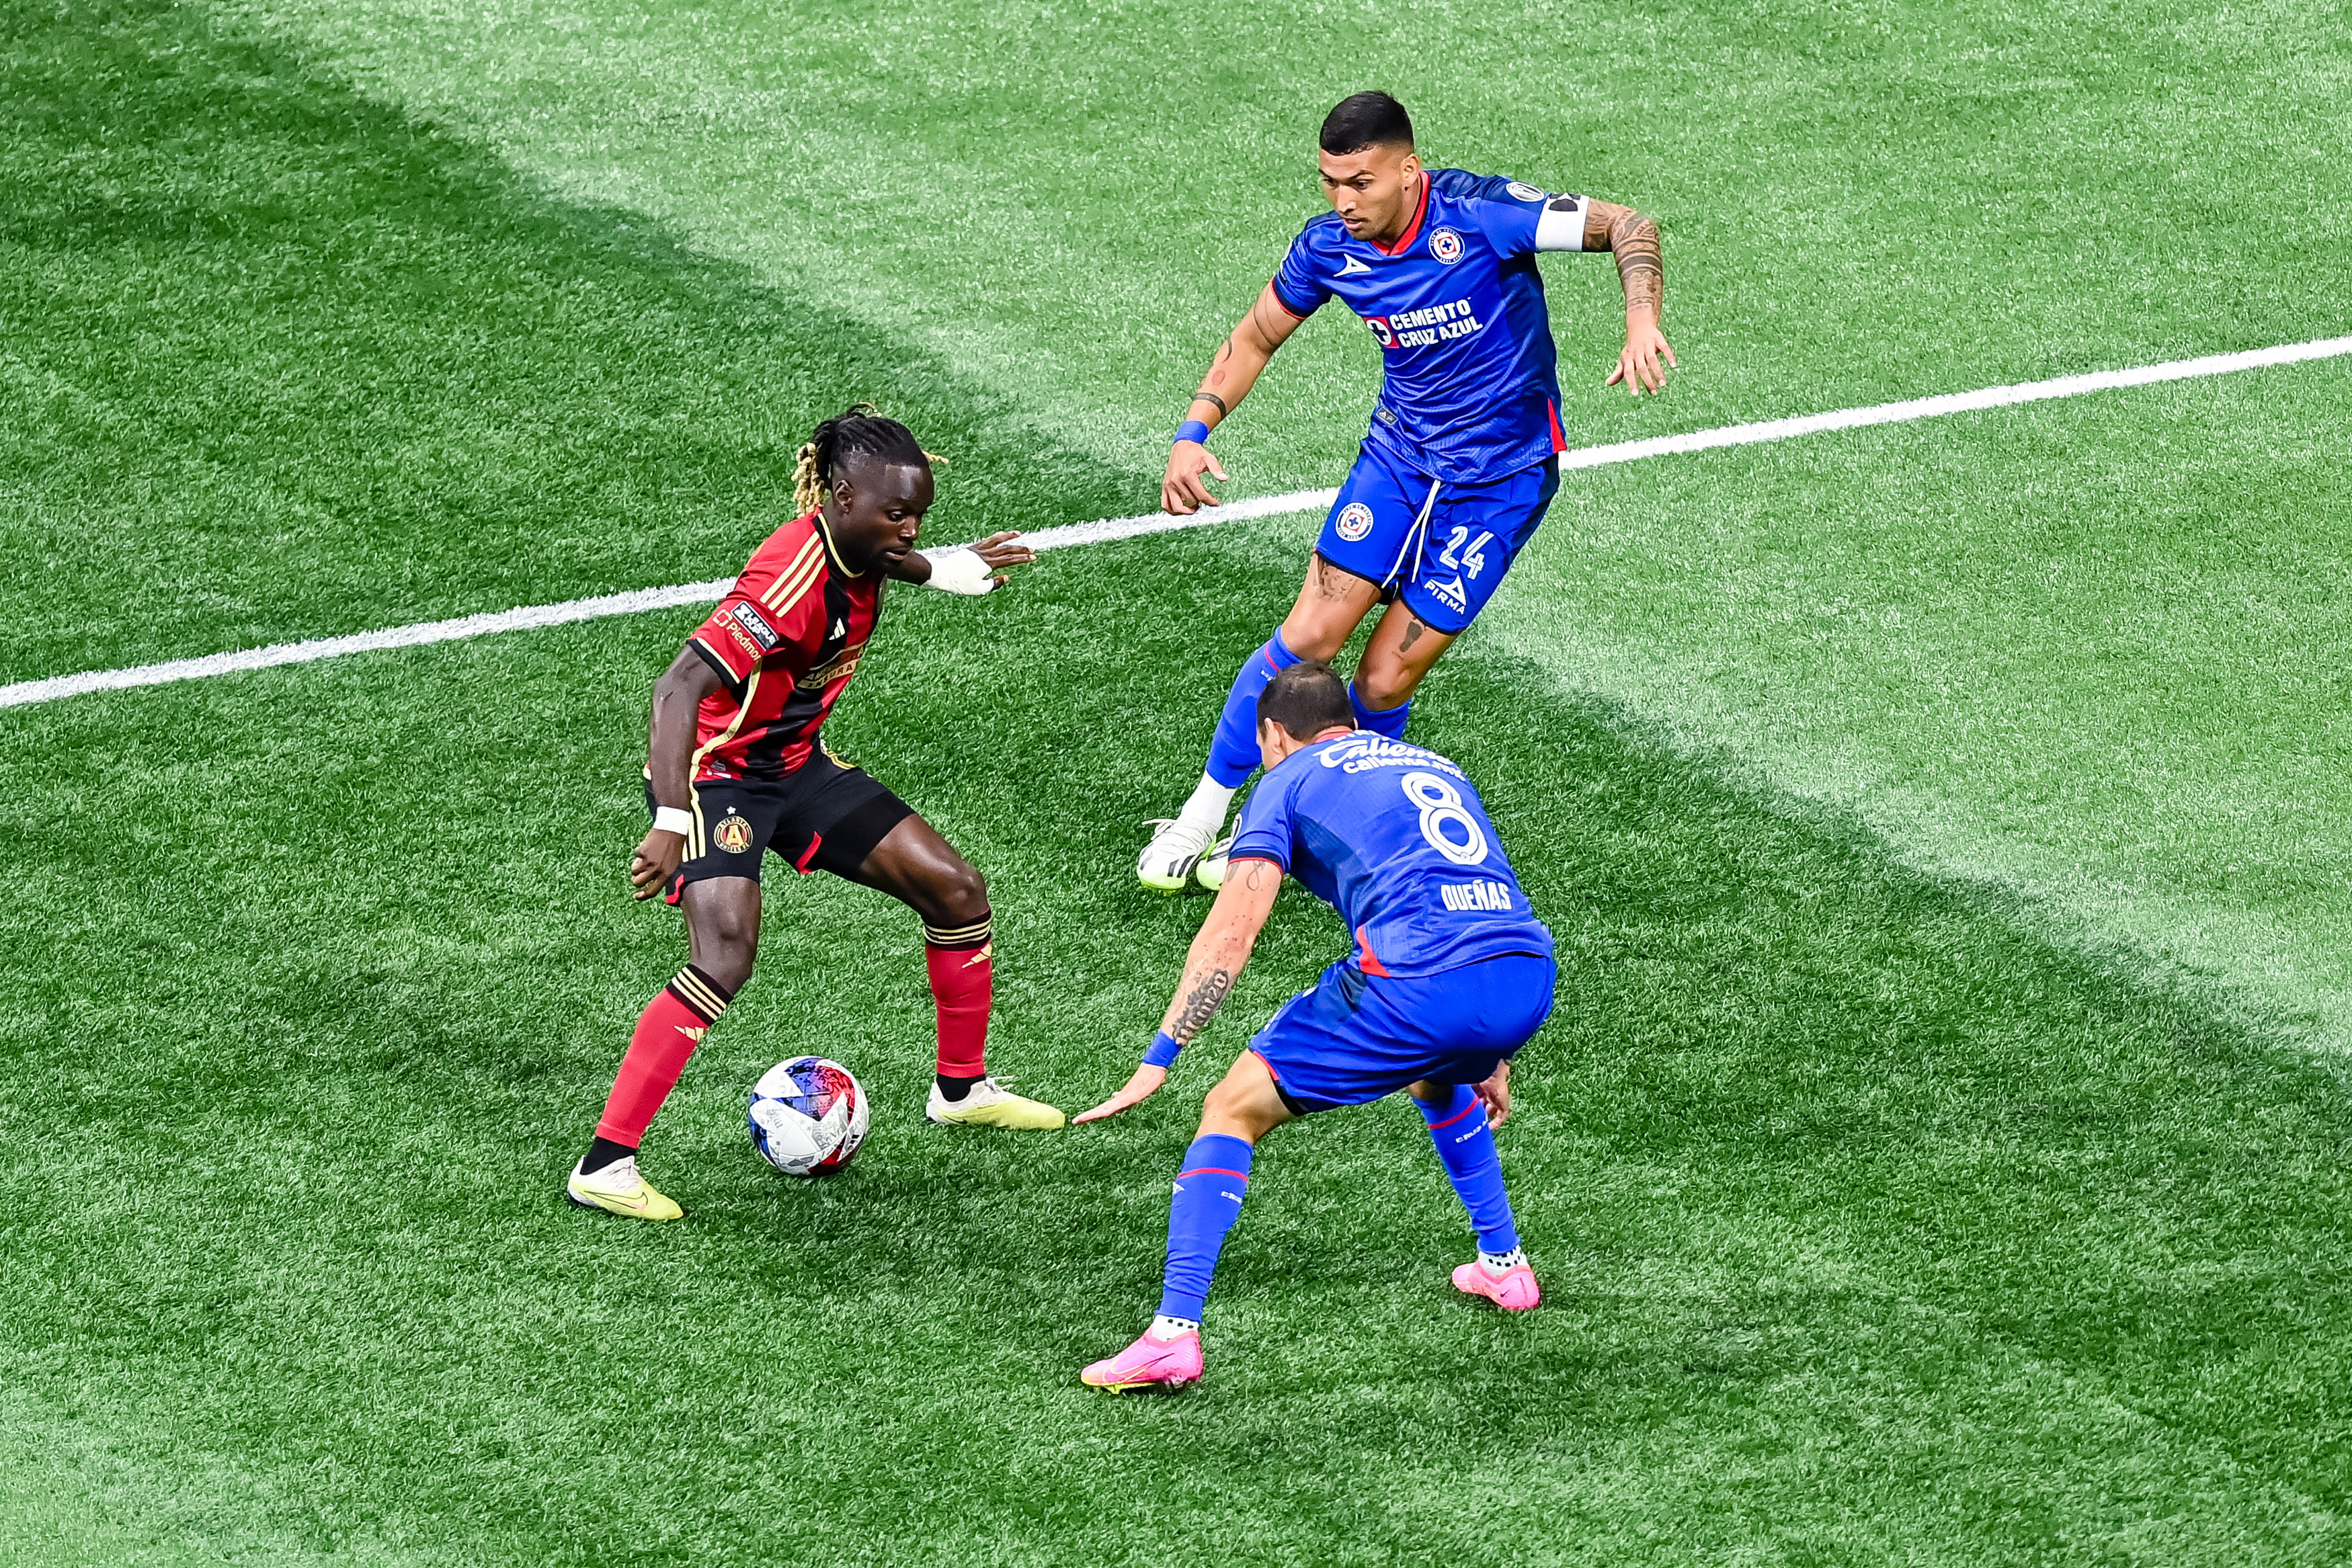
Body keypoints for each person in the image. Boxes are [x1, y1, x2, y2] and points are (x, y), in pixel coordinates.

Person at [1136, 89, 1676, 890]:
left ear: (1407, 168)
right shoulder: (1327, 248)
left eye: (1360, 182)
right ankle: (1204, 813)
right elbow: (1254, 337)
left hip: (1501, 482)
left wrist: (1639, 320)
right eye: (1329, 182)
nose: (1343, 201)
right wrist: (1193, 431)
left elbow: (1631, 225)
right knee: (1308, 637)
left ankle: (1326, 832)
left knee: (1384, 680)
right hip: (1398, 460)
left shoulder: (1483, 213)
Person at [567, 408, 1064, 1223]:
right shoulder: (788, 578)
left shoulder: (860, 541)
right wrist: (668, 815)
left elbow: (876, 561)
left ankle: (962, 1087)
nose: (909, 529)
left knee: (956, 890)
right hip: (722, 779)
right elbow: (677, 689)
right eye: (896, 514)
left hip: (797, 764)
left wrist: (939, 568)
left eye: (919, 515)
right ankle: (606, 1163)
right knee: (723, 957)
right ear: (839, 496)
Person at [1077, 662, 1557, 1390]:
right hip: (1524, 971)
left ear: (1272, 734)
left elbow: (1232, 929)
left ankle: (1171, 1334)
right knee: (1434, 1070)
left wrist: (1161, 1054)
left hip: (1420, 984)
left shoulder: (1287, 778)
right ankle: (1503, 1265)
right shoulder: (1432, 762)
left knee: (1231, 1107)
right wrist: (1490, 1049)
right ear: (1351, 724)